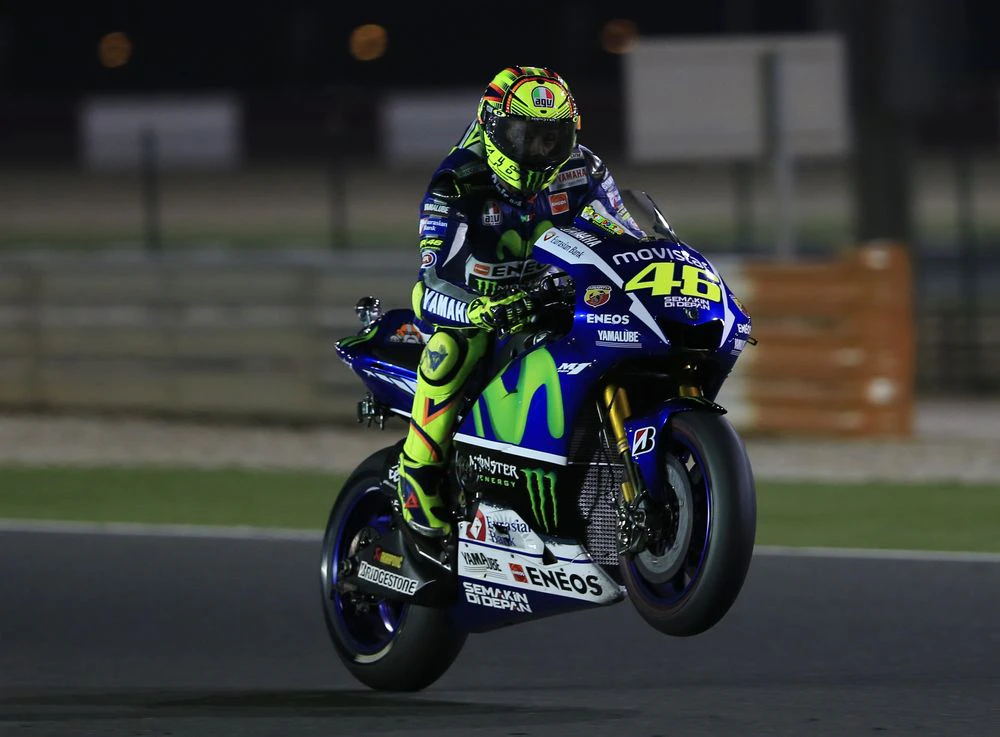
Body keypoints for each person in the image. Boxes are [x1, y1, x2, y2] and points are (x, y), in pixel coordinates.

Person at [397, 65, 644, 543]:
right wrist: (477, 310)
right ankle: (418, 471)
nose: (539, 150)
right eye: (523, 136)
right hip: (474, 308)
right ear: (492, 127)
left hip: (552, 296)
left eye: (552, 138)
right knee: (453, 347)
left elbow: (625, 236)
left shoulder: (585, 171)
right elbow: (429, 283)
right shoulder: (458, 181)